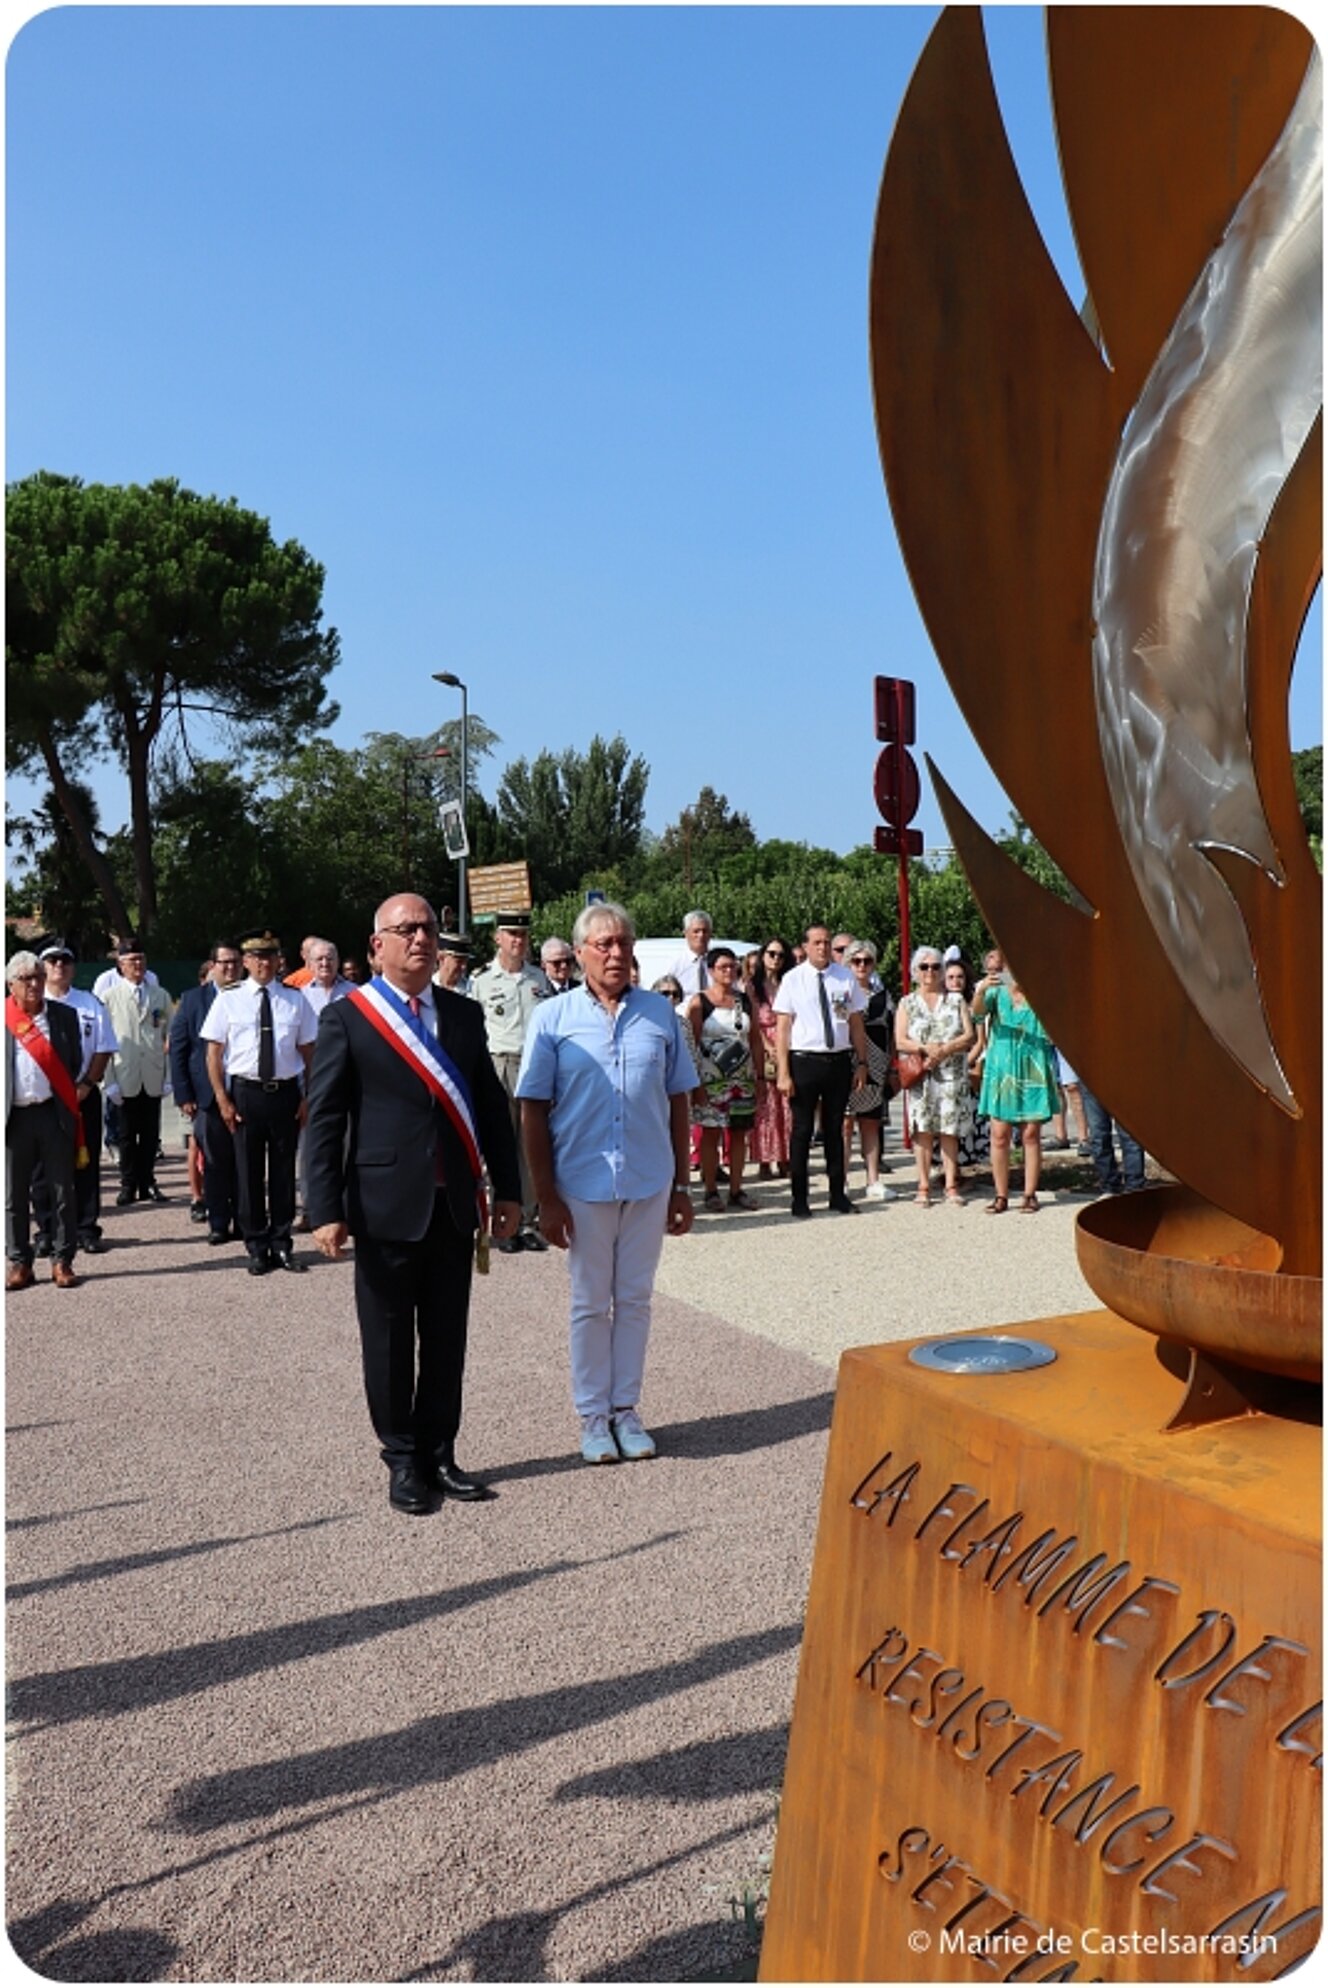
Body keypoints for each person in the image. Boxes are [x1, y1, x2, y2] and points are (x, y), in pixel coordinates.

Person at [305, 892, 522, 1516]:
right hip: (383, 1205)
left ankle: (440, 1451)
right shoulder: (350, 1017)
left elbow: (488, 1107)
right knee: (390, 1338)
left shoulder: (462, 1014)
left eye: (428, 928)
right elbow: (325, 1120)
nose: (421, 939)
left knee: (447, 1337)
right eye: (406, 930)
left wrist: (506, 1189)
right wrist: (324, 1207)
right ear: (377, 946)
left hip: (452, 1203)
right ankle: (401, 1458)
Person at [517, 900, 697, 1465]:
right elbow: (532, 1109)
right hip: (582, 1182)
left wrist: (683, 1185)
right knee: (591, 1302)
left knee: (635, 1299)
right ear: (579, 954)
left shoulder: (658, 1014)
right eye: (604, 945)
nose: (616, 953)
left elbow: (678, 1099)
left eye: (623, 943)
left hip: (648, 1178)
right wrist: (545, 1198)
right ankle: (593, 1416)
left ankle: (627, 1409)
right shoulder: (553, 1019)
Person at [202, 929, 317, 1273]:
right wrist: (222, 1098)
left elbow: (310, 1052)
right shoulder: (229, 998)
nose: (264, 963)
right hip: (246, 1093)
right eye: (256, 957)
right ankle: (256, 1244)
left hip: (285, 1093)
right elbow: (214, 1053)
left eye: (270, 956)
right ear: (246, 962)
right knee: (248, 1172)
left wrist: (308, 1097)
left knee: (283, 1171)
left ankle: (282, 1242)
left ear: (279, 961)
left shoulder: (296, 999)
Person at [773, 924, 870, 1219]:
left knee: (835, 1130)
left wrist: (862, 1063)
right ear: (806, 946)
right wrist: (783, 1072)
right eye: (817, 942)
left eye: (827, 942)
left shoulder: (844, 977)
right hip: (804, 1060)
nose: (823, 948)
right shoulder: (793, 979)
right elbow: (783, 1028)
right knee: (802, 1130)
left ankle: (837, 1194)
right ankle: (799, 1198)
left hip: (838, 1060)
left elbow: (854, 1023)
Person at [469, 911, 552, 1253]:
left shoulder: (538, 979)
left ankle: (529, 1221)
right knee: (500, 1145)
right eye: (511, 934)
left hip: (532, 1065)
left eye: (523, 934)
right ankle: (503, 1223)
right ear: (497, 939)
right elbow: (474, 1031)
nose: (518, 940)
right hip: (498, 1063)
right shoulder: (482, 981)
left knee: (530, 1146)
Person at [6, 951, 84, 1289]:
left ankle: (62, 1259)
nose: (35, 983)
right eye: (26, 979)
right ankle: (20, 1262)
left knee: (62, 1189)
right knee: (13, 1195)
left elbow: (74, 1059)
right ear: (11, 985)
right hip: (13, 1117)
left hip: (53, 1114)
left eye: (38, 976)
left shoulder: (64, 1016)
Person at [33, 942, 116, 1255]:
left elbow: (104, 1047)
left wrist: (86, 1083)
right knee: (41, 1168)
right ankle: (46, 1230)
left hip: (82, 1095)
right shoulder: (31, 1006)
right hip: (43, 1098)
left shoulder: (89, 1003)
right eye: (52, 960)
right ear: (42, 967)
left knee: (86, 1161)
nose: (59, 966)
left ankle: (86, 1227)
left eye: (65, 960)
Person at [169, 939, 244, 1246]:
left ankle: (244, 1220)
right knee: (213, 1162)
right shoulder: (192, 1000)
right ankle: (217, 1222)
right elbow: (179, 1049)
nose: (230, 967)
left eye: (235, 962)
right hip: (206, 1096)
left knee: (244, 1162)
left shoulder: (250, 996)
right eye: (224, 962)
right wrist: (184, 1094)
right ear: (212, 966)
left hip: (243, 1092)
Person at [971, 961, 1060, 1213]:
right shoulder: (996, 989)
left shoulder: (1039, 988)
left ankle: (1030, 1194)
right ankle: (1001, 1195)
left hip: (1034, 1065)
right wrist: (979, 991)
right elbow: (977, 1014)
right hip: (1003, 1067)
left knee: (1030, 1135)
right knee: (999, 1135)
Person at [895, 947, 976, 1206]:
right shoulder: (907, 1002)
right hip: (922, 1075)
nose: (930, 972)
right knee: (923, 1130)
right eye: (924, 967)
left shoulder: (956, 1000)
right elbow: (899, 1039)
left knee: (949, 1129)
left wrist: (944, 1049)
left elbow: (969, 1035)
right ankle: (923, 1185)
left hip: (952, 1073)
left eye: (935, 966)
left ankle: (951, 1184)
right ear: (915, 971)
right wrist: (923, 1048)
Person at [684, 946, 758, 1213]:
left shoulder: (745, 1000)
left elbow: (755, 1040)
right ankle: (711, 1190)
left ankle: (737, 1189)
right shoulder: (699, 1003)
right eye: (723, 967)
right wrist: (696, 1085)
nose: (729, 971)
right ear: (711, 970)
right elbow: (689, 1045)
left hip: (742, 1079)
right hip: (710, 1080)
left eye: (733, 967)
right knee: (710, 1134)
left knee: (739, 1134)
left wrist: (758, 1077)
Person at [101, 938, 173, 1205]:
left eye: (141, 959)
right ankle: (128, 1183)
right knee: (126, 1134)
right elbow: (104, 1043)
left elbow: (168, 1037)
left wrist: (169, 1078)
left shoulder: (160, 995)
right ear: (121, 965)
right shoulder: (109, 998)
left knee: (151, 1133)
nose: (138, 965)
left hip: (152, 1073)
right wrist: (108, 1082)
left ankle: (148, 1182)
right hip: (124, 1073)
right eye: (131, 961)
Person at [843, 940, 896, 1201]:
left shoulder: (883, 994)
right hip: (847, 1061)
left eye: (867, 961)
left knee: (871, 1122)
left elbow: (893, 1030)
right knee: (844, 1122)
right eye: (856, 961)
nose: (862, 966)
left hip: (878, 1063)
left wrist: (892, 1064)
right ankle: (840, 1180)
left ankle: (873, 1179)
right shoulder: (841, 991)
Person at [748, 938, 793, 1182]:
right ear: (763, 955)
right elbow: (753, 1022)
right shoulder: (752, 987)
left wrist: (783, 1046)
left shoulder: (789, 983)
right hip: (762, 1045)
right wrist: (768, 1046)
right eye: (771, 953)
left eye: (780, 955)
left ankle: (785, 1157)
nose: (776, 959)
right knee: (765, 1107)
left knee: (786, 1107)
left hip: (787, 1043)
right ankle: (764, 1159)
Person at [944, 956, 991, 1171]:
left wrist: (964, 1063)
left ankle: (963, 1169)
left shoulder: (973, 1007)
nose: (955, 981)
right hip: (943, 1071)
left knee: (967, 1121)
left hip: (967, 1071)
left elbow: (980, 1041)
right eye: (951, 977)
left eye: (960, 977)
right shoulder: (941, 1006)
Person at [1078, 1079, 1147, 1195]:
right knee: (1098, 1137)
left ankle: (1135, 1187)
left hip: (1123, 1079)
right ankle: (1109, 1186)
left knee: (1130, 1136)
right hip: (1091, 1081)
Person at [301, 939, 355, 1015]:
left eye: (330, 959)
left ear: (338, 962)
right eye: (319, 959)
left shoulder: (354, 991)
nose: (325, 963)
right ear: (311, 965)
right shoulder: (303, 996)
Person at [671, 910, 714, 997]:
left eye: (705, 931)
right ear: (686, 933)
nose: (701, 935)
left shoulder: (719, 962)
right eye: (696, 931)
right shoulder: (676, 963)